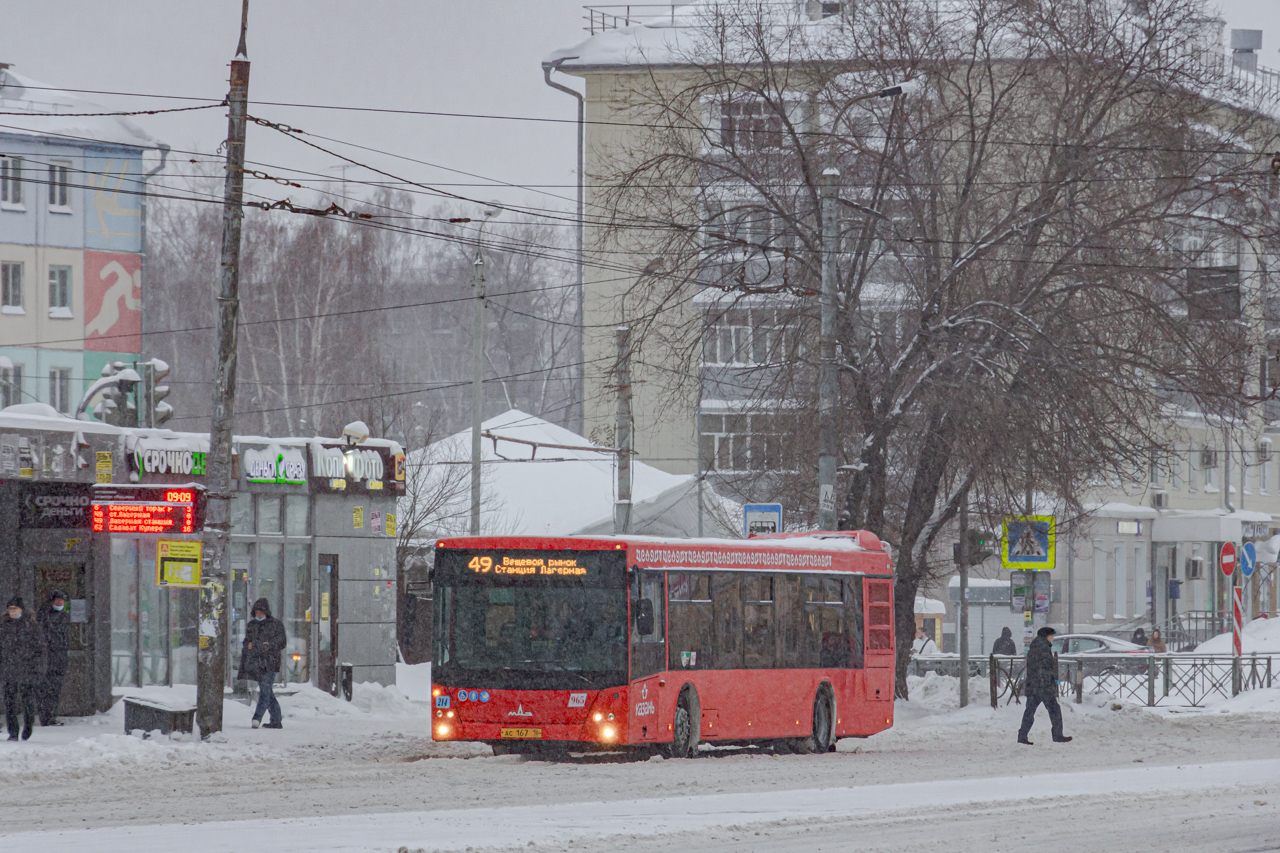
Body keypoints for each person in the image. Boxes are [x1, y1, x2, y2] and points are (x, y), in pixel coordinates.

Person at [0, 597, 46, 741]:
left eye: (15, 609)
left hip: (27, 670)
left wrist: (37, 667)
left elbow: (40, 649)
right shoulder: (4, 626)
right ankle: (12, 731)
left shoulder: (31, 626)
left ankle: (28, 725)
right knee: (10, 703)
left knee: (28, 701)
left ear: (21, 609)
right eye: (10, 609)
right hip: (9, 669)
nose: (12, 612)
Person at [237, 598, 287, 729]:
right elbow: (247, 643)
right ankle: (276, 719)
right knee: (267, 691)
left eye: (261, 613)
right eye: (257, 613)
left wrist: (265, 646)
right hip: (257, 662)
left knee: (265, 690)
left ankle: (257, 717)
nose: (259, 615)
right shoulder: (252, 625)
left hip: (270, 662)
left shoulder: (276, 625)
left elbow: (281, 642)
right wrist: (258, 646)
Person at [1017, 626, 1071, 745]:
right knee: (1054, 710)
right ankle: (1057, 735)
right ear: (1047, 636)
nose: (1053, 638)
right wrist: (1047, 684)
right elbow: (1043, 668)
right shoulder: (1042, 648)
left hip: (1035, 685)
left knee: (1030, 711)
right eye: (1052, 635)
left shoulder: (1037, 646)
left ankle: (1022, 735)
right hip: (1042, 686)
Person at [37, 589, 70, 726]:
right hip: (49, 658)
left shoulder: (63, 616)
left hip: (58, 658)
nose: (60, 603)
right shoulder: (45, 616)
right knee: (47, 689)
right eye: (57, 600)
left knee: (53, 689)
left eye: (62, 601)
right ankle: (46, 716)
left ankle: (49, 715)